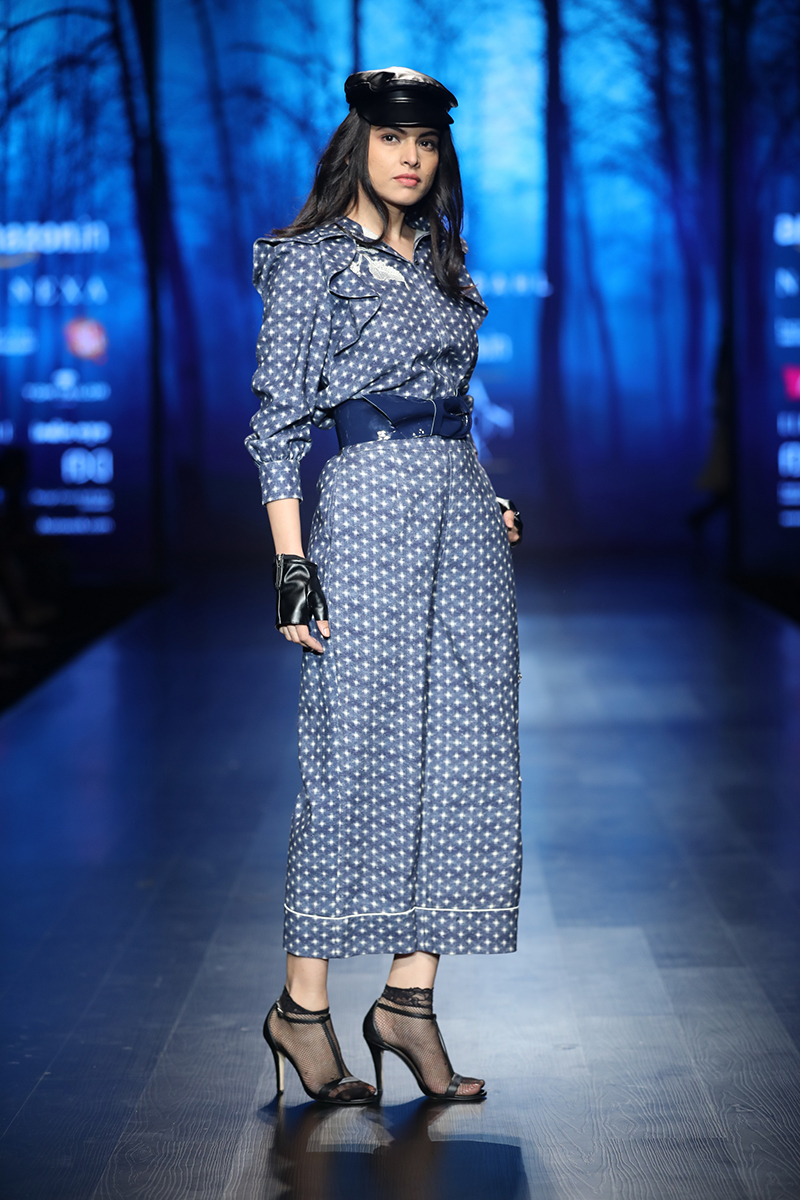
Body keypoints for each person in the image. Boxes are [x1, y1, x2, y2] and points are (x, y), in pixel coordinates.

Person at [246, 66, 523, 1106]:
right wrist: (291, 566)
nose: (411, 157)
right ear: (356, 144)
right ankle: (302, 1008)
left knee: (470, 754)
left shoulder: (445, 260)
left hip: (463, 516)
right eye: (392, 137)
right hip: (363, 515)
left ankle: (409, 1001)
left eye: (427, 142)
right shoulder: (309, 262)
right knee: (350, 752)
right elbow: (278, 424)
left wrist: (486, 498)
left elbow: (450, 406)